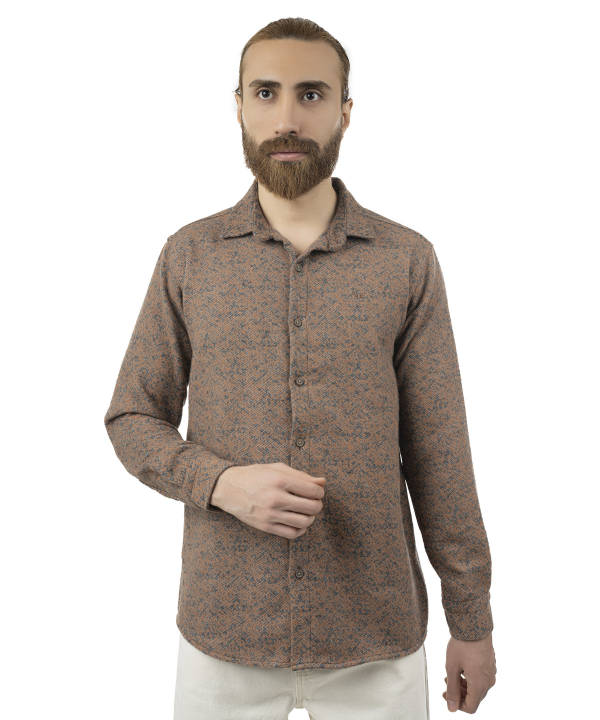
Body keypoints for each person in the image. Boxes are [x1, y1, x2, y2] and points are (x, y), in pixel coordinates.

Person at [104, 16, 497, 719]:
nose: (287, 118)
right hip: (225, 636)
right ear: (238, 107)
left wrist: (471, 619)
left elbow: (439, 449)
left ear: (346, 111)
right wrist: (220, 483)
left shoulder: (406, 261)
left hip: (374, 638)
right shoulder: (190, 255)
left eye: (311, 94)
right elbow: (133, 417)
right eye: (266, 93)